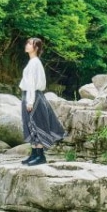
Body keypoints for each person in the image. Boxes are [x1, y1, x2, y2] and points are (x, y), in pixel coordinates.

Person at [19, 37, 65, 166]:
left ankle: (40, 156)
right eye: (27, 42)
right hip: (29, 95)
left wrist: (30, 102)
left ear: (36, 48)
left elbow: (32, 84)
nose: (27, 45)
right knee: (30, 124)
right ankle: (34, 153)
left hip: (33, 97)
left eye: (30, 44)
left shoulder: (35, 62)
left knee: (36, 124)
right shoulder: (32, 62)